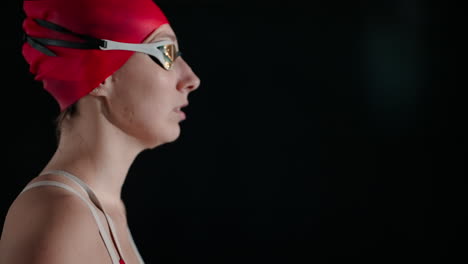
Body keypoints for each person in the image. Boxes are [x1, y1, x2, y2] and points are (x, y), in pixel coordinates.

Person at [0, 0, 200, 263]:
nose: (191, 79)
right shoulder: (62, 215)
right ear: (100, 76)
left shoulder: (105, 207)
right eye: (165, 52)